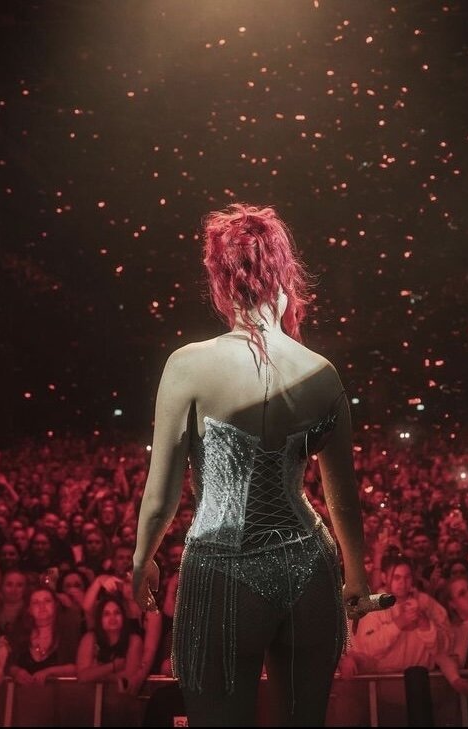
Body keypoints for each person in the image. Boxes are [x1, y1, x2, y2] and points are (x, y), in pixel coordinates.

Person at [132, 203, 368, 727]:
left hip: (221, 570)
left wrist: (142, 557)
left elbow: (161, 495)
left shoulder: (187, 365)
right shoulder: (321, 373)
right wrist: (356, 573)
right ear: (284, 277)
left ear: (220, 281)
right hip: (309, 565)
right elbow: (343, 497)